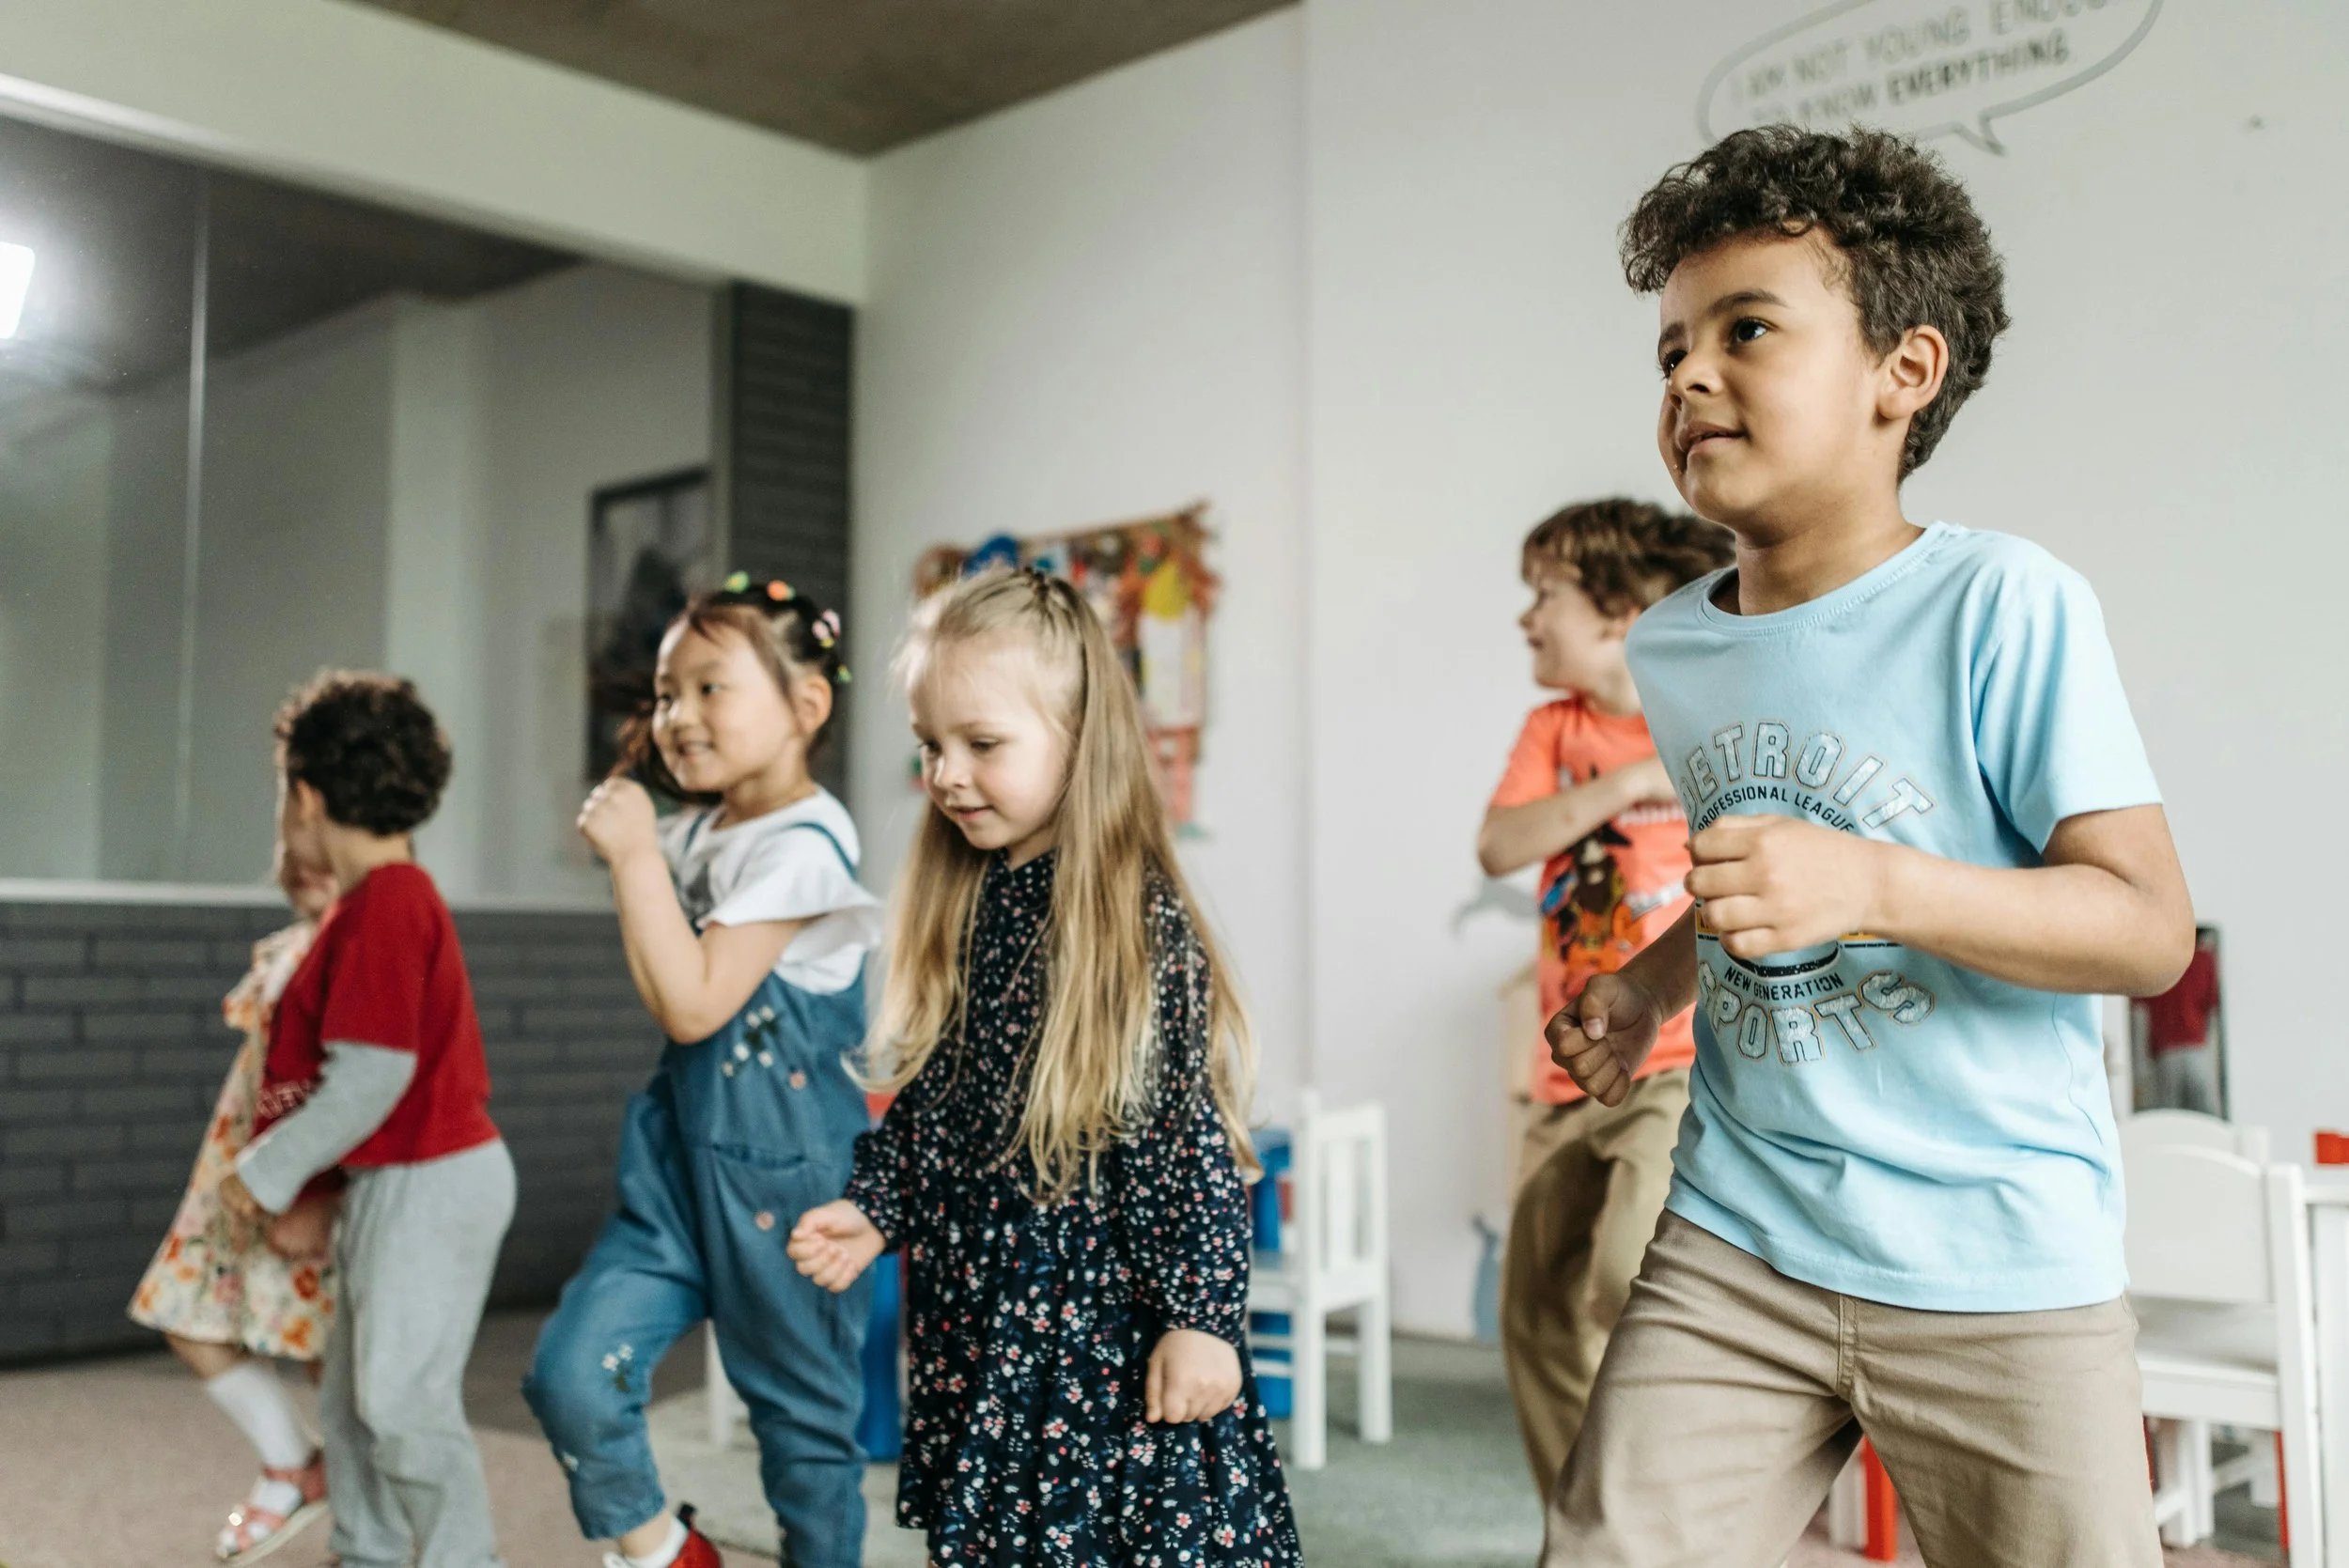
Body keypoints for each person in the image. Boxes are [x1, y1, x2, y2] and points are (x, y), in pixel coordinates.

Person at [1541, 126, 2195, 1567]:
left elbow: (2146, 927)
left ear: (1905, 372)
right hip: (1740, 1230)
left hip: (2000, 1258)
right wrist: (1655, 986)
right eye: (1670, 348)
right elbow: (1752, 882)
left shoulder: (2006, 604)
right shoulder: (1676, 643)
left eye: (1747, 328)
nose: (1689, 374)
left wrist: (1880, 887)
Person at [787, 567, 1300, 1568]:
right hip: (992, 1315)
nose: (945, 774)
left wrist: (1200, 1318)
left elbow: (1177, 1138)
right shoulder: (985, 898)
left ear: (1080, 740)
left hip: (1096, 1336)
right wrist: (880, 1201)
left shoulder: (1132, 925)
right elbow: (946, 1101)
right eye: (930, 745)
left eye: (982, 745)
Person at [524, 577, 881, 1568]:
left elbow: (692, 1002)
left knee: (806, 1438)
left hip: (791, 1181)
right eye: (665, 691)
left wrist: (635, 859)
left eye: (710, 687)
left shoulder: (808, 847)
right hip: (676, 1170)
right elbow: (664, 994)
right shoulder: (691, 834)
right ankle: (668, 1553)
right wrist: (642, 852)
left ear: (806, 708)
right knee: (570, 1374)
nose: (677, 715)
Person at [220, 672, 515, 1568]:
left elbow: (369, 1078)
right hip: (397, 1180)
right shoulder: (366, 906)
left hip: (432, 1177)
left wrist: (262, 1172)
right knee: (353, 1401)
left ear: (305, 795)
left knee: (400, 1403)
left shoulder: (388, 903)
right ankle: (369, 1551)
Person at [1477, 497, 1730, 1497]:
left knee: (1626, 1276)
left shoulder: (1703, 718)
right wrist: (1623, 789)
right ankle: (1582, 1527)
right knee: (1534, 1309)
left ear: (1621, 611)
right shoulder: (1556, 727)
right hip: (1560, 1065)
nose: (1526, 617)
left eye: (1545, 595)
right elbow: (1499, 846)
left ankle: (1668, 1505)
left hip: (1669, 1061)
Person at [131, 838, 342, 1563]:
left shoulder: (359, 951)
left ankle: (366, 1524)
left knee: (326, 1350)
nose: (305, 858)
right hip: (239, 1175)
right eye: (294, 839)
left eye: (328, 843)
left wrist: (312, 1191)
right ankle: (292, 1462)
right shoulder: (289, 946)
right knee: (184, 1313)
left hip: (308, 1187)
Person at [2136, 925, 2223, 1114]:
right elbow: (2212, 1005)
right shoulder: (2205, 959)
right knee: (2206, 1115)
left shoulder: (2156, 961)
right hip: (2196, 1046)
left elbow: (2139, 1005)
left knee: (2170, 1116)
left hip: (2166, 1049)